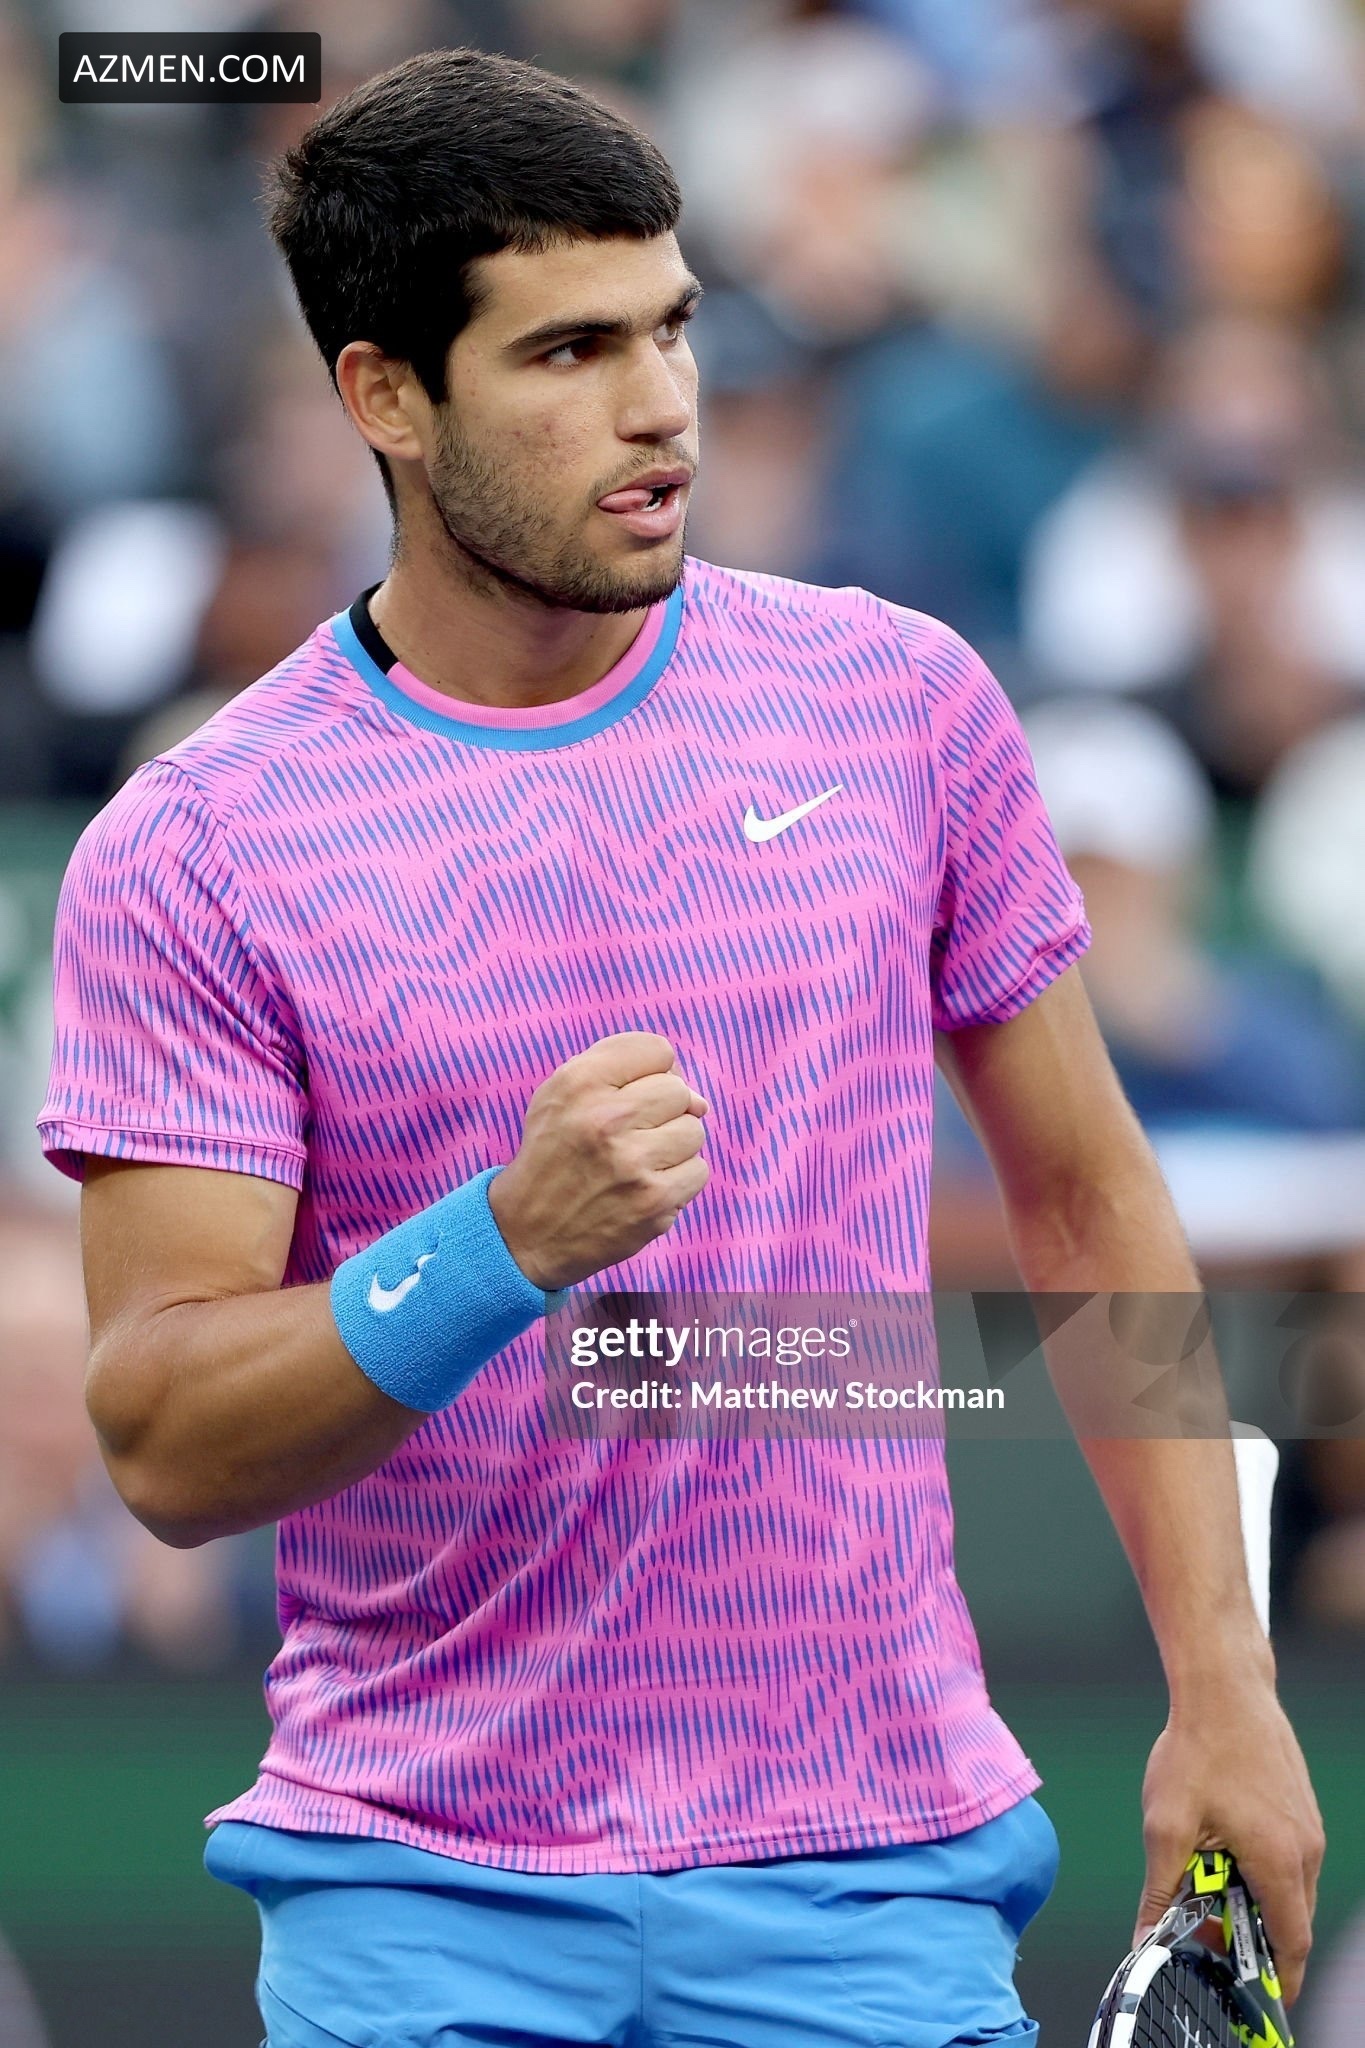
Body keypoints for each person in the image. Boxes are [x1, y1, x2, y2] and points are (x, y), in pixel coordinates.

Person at [38, 48, 1322, 2048]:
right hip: (418, 1903)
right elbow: (165, 1441)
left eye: (668, 328)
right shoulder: (196, 847)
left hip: (874, 1884)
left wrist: (1223, 1681)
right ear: (385, 395)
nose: (658, 407)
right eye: (566, 351)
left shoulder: (898, 705)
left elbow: (1087, 1204)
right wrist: (500, 1243)